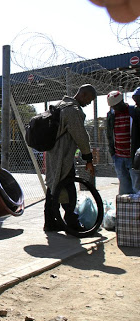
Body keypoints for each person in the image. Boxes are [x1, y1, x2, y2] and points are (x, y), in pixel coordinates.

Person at [44, 84, 97, 232]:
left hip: (52, 154)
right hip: (63, 155)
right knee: (68, 187)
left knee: (53, 185)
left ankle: (49, 221)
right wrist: (88, 159)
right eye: (89, 99)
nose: (89, 103)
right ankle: (71, 221)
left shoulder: (60, 105)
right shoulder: (72, 111)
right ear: (83, 94)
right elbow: (81, 137)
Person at [106, 89, 140, 194]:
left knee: (136, 189)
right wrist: (113, 154)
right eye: (113, 107)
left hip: (133, 157)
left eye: (116, 106)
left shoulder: (134, 112)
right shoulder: (111, 115)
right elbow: (109, 135)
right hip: (119, 158)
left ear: (122, 102)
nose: (115, 108)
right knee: (124, 191)